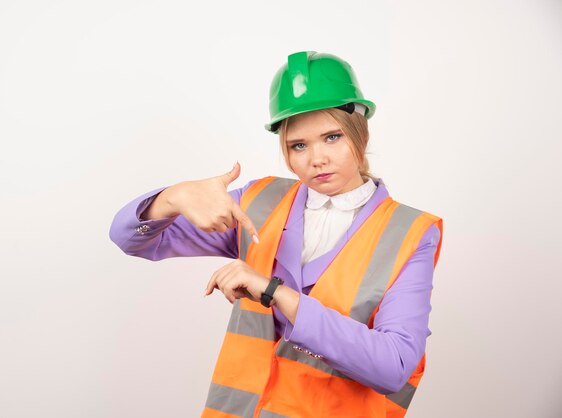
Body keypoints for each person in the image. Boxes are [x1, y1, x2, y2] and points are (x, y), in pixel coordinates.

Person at [109, 51, 443, 418]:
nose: (317, 158)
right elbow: (132, 239)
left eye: (332, 137)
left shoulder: (410, 232)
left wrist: (276, 293)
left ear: (360, 133)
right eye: (298, 145)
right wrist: (170, 198)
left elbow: (393, 366)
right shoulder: (258, 202)